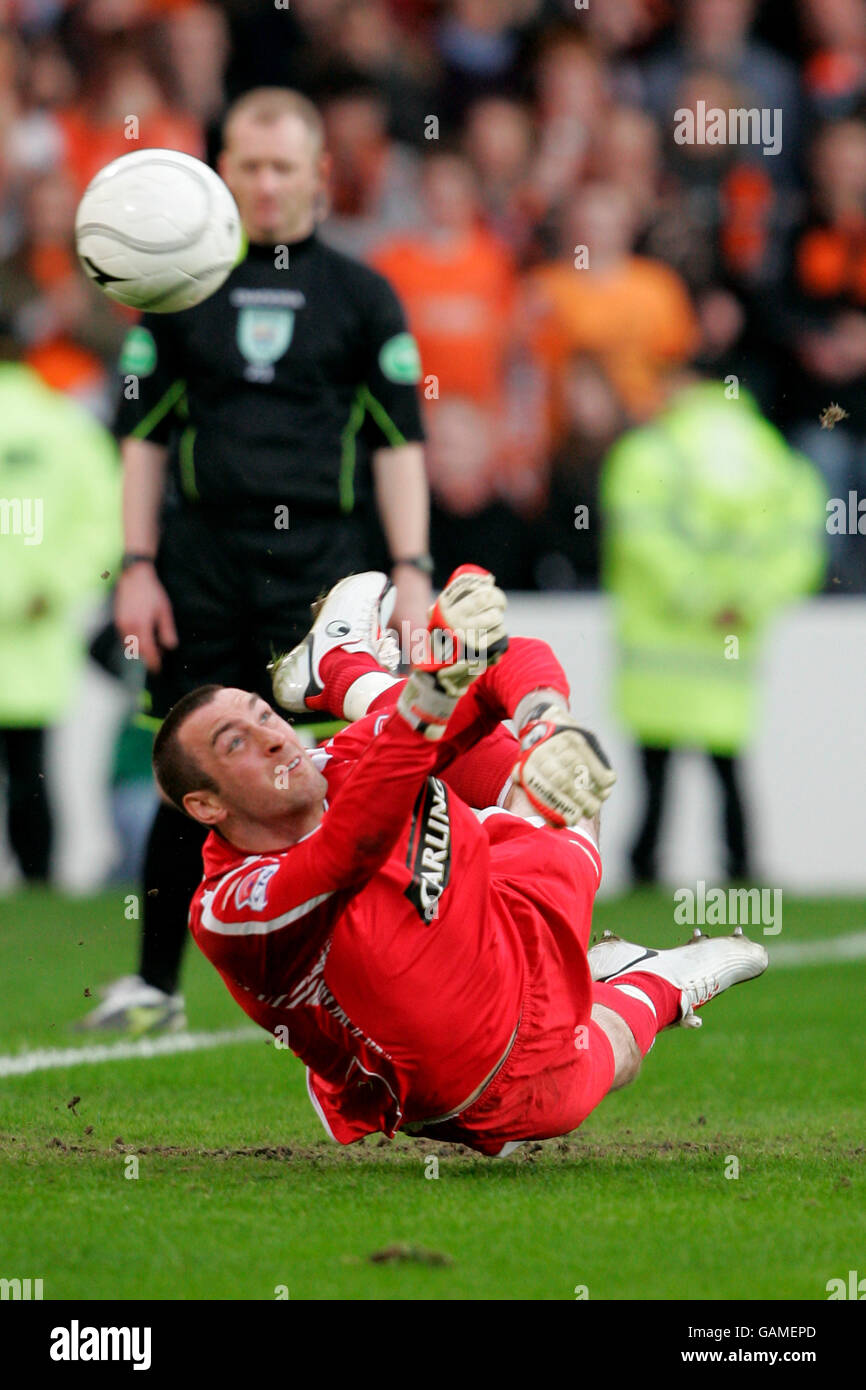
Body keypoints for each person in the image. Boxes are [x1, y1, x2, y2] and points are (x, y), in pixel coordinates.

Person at [150, 567, 768, 1156]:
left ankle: (339, 669)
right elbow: (349, 848)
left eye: (264, 716)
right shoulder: (230, 907)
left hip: (500, 911)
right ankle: (659, 980)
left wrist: (547, 728)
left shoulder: (338, 761)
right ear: (205, 805)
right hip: (475, 1085)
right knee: (610, 1055)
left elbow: (516, 658)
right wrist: (434, 688)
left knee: (561, 783)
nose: (273, 737)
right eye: (236, 744)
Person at [81, 86, 430, 1034]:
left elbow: (400, 444)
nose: (266, 184)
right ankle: (155, 983)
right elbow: (144, 441)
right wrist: (137, 563)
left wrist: (411, 566)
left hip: (326, 572)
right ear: (220, 172)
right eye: (248, 165)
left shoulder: (363, 295)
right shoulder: (176, 288)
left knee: (345, 768)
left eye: (283, 166)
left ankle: (381, 978)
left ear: (318, 174)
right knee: (188, 772)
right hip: (202, 569)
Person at [600, 379, 827, 885]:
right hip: (730, 652)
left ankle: (643, 868)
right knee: (728, 768)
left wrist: (695, 595)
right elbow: (801, 545)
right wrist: (743, 601)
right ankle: (741, 866)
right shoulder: (772, 454)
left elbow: (638, 535)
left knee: (654, 773)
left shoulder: (650, 451)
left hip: (658, 649)